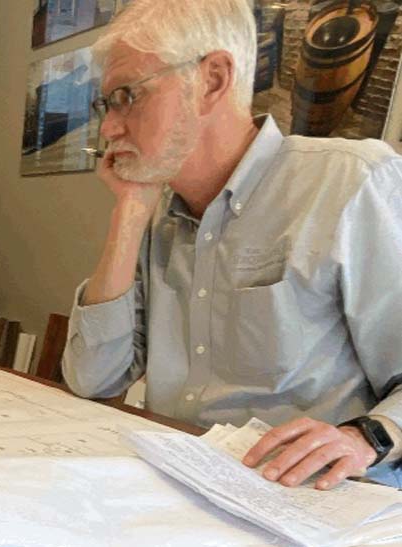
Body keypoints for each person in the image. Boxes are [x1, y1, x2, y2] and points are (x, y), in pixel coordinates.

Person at [62, 0, 402, 490]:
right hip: (188, 483)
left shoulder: (349, 183)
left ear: (214, 79)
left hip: (314, 500)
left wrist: (365, 436)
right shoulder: (159, 214)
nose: (110, 128)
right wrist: (130, 209)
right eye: (106, 105)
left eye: (127, 96)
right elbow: (92, 380)